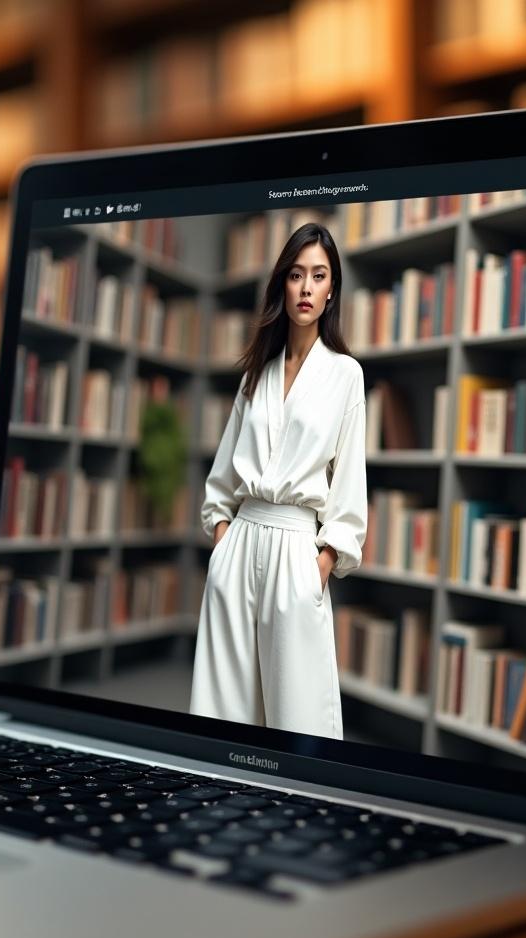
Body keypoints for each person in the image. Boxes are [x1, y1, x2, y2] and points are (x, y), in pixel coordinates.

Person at [190, 221, 367, 740]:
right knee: (223, 712)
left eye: (319, 275)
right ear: (283, 286)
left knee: (300, 719)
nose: (307, 287)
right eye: (296, 275)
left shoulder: (345, 375)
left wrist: (322, 565)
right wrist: (224, 543)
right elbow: (223, 476)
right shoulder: (257, 375)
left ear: (332, 289)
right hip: (241, 544)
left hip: (297, 552)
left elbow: (349, 485)